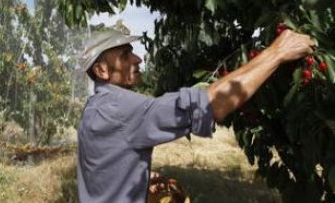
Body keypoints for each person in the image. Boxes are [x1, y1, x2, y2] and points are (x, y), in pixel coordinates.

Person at [77, 28, 314, 203]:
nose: (137, 58)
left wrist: (134, 182)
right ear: (101, 70)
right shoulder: (119, 108)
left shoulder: (96, 108)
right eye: (125, 54)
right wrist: (277, 53)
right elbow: (209, 105)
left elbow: (101, 168)